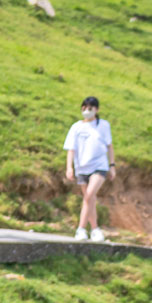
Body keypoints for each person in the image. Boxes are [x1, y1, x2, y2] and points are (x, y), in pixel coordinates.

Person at [63, 96, 115, 241]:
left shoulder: (103, 125)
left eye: (90, 108)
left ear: (96, 110)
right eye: (84, 108)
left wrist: (112, 165)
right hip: (81, 167)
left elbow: (109, 146)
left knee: (89, 195)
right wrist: (69, 167)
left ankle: (80, 229)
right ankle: (95, 229)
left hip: (99, 166)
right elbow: (71, 149)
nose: (87, 111)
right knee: (90, 199)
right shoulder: (76, 127)